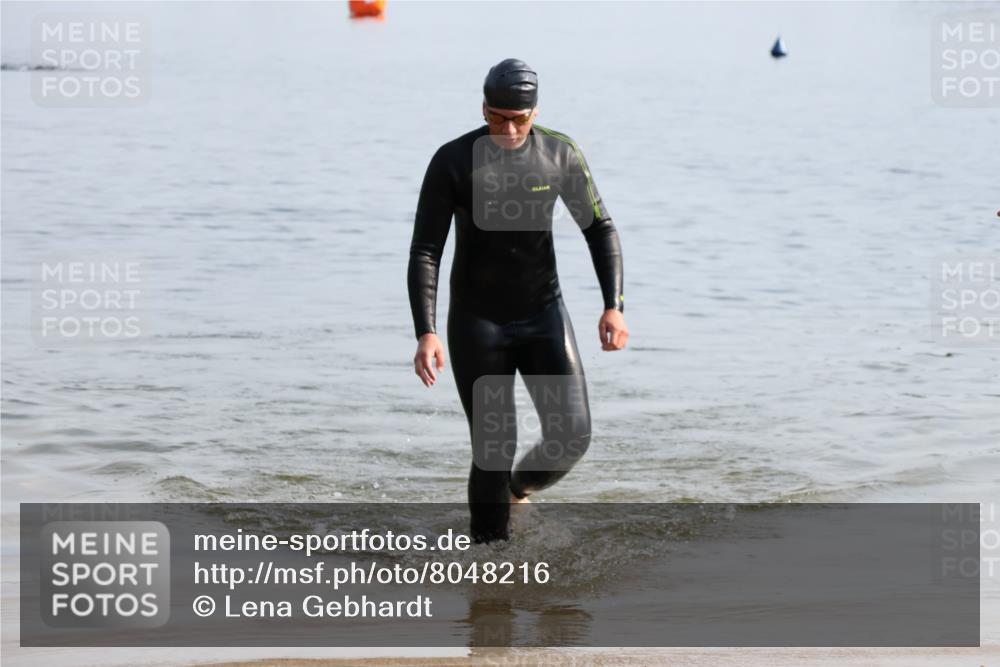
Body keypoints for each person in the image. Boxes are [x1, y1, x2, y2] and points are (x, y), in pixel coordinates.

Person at [407, 58, 628, 544]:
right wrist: (426, 331)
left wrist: (613, 305)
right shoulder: (453, 161)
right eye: (497, 117)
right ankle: (487, 564)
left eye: (519, 119)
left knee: (572, 436)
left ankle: (517, 490)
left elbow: (599, 228)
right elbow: (426, 250)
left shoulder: (559, 154)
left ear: (535, 113)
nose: (508, 130)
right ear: (483, 108)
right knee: (494, 446)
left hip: (542, 313)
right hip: (478, 322)